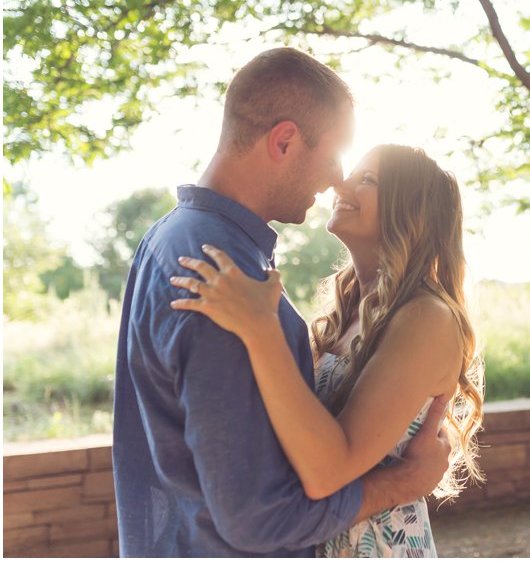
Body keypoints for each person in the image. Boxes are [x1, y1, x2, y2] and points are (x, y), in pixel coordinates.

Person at [113, 48, 452, 557]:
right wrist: (405, 483)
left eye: (364, 176)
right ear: (285, 140)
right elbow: (262, 520)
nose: (337, 179)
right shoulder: (222, 274)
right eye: (340, 158)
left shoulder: (172, 242)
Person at [168, 144, 484, 557]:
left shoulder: (426, 317)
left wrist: (260, 329)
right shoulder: (352, 310)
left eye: (367, 179)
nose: (340, 183)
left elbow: (328, 472)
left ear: (410, 211)